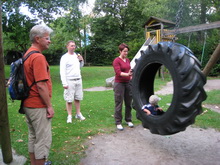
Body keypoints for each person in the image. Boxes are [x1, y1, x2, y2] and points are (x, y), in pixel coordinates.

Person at [23, 24, 54, 165]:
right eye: (47, 38)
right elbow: (41, 85)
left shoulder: (27, 54)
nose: (49, 41)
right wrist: (49, 106)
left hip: (28, 104)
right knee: (42, 140)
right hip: (38, 105)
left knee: (33, 137)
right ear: (37, 39)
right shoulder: (38, 57)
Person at [60, 40, 85, 123]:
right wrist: (64, 83)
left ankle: (78, 113)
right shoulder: (64, 57)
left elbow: (80, 66)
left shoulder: (77, 56)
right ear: (67, 46)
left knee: (78, 98)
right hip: (69, 80)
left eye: (74, 46)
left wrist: (81, 60)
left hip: (78, 79)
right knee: (69, 99)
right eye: (71, 45)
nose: (73, 47)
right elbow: (62, 71)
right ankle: (69, 115)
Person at [113, 43, 134, 131]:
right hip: (119, 84)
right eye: (124, 51)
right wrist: (128, 74)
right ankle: (118, 122)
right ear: (120, 51)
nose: (126, 53)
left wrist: (131, 76)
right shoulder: (116, 61)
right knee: (119, 103)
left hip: (128, 83)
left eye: (127, 51)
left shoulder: (128, 60)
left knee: (128, 103)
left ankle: (128, 120)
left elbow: (129, 70)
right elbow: (119, 73)